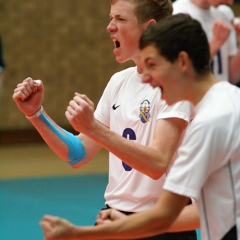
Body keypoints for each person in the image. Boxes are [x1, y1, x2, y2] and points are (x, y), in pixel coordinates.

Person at [39, 13, 240, 240]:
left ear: (182, 62)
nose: (147, 80)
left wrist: (78, 234)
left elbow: (165, 210)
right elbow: (197, 211)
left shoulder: (211, 122)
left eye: (153, 66)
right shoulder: (228, 102)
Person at [12, 1, 195, 239]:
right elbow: (77, 154)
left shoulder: (176, 81)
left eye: (120, 19)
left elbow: (157, 164)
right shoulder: (119, 81)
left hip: (161, 225)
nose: (109, 27)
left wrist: (94, 128)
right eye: (111, 18)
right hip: (113, 218)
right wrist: (35, 114)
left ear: (150, 28)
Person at [172, 0, 240, 85]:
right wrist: (216, 42)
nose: (230, 2)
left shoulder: (225, 12)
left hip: (222, 94)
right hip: (196, 96)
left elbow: (232, 77)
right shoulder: (178, 13)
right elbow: (184, 73)